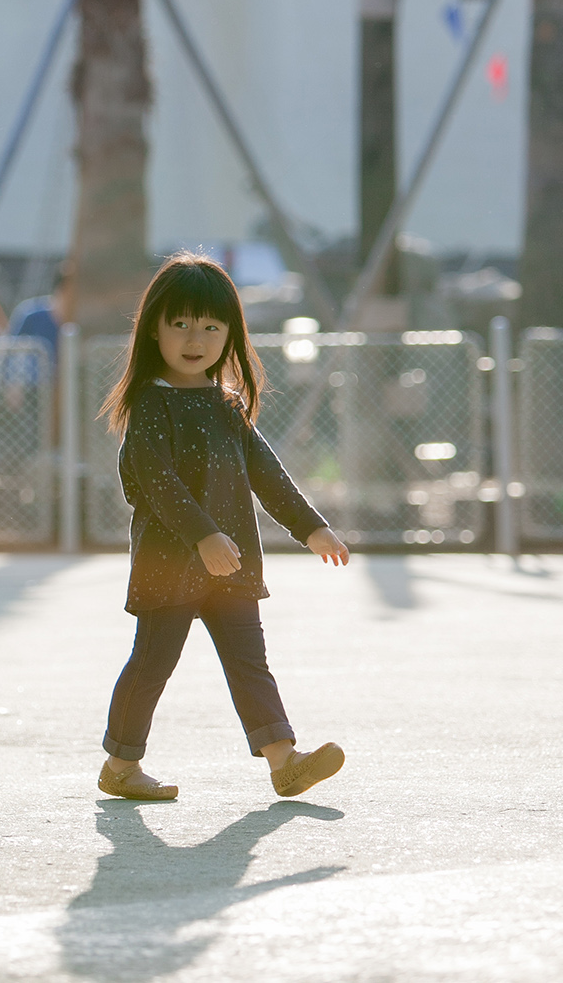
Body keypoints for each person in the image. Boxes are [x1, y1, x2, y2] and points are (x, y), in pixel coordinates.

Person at [96, 252, 349, 802]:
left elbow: (269, 476)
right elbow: (158, 483)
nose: (196, 339)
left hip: (232, 566)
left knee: (249, 662)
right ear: (154, 330)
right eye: (181, 324)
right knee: (153, 663)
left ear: (231, 333)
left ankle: (284, 762)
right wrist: (203, 536)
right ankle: (120, 765)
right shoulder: (150, 405)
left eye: (211, 327)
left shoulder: (227, 406)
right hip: (169, 565)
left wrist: (312, 528)